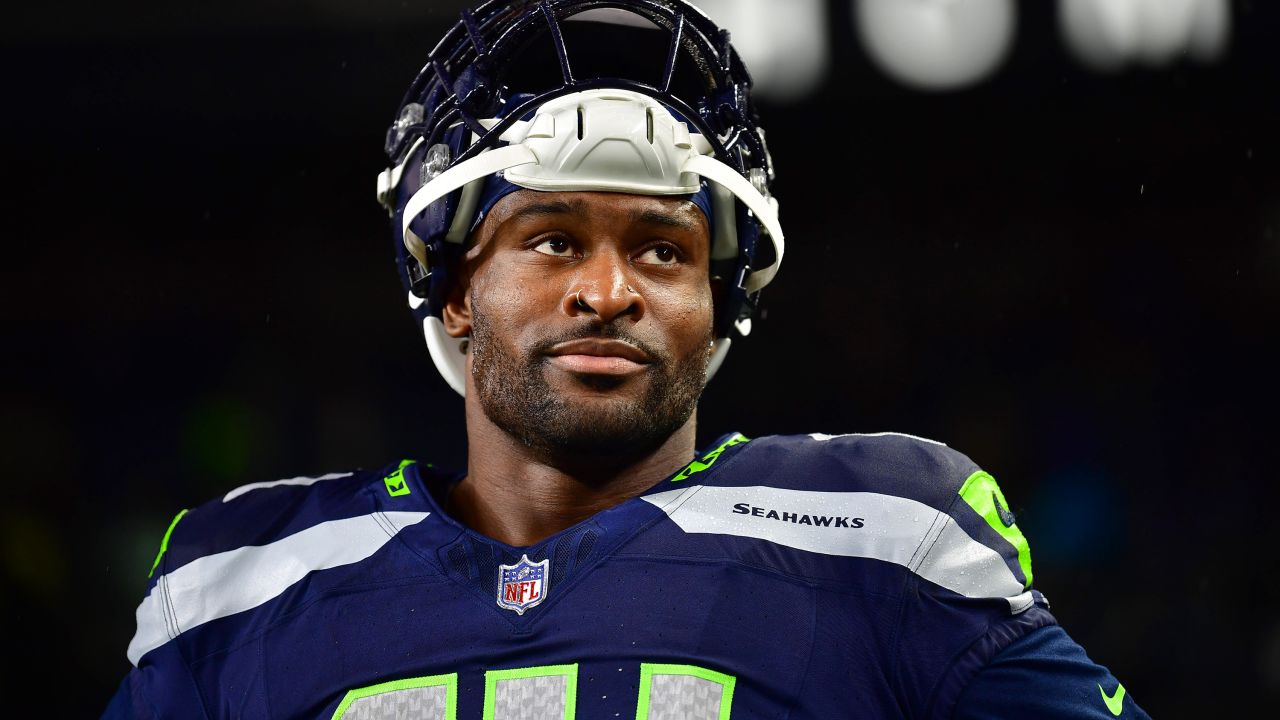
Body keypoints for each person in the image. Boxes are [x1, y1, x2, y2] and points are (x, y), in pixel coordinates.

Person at [105, 1, 1151, 717]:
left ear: (720, 298)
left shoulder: (881, 541)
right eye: (552, 238)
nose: (608, 292)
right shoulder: (235, 585)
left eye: (661, 249)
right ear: (454, 287)